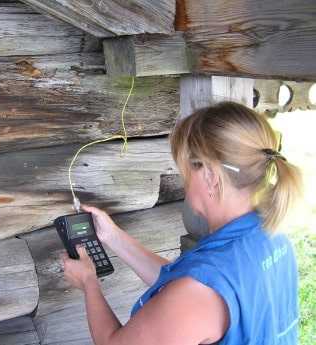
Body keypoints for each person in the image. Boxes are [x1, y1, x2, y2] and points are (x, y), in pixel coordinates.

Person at [62, 101, 303, 345]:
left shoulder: (198, 293)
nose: (183, 180)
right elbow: (181, 285)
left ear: (210, 176)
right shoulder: (271, 234)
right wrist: (113, 236)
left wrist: (88, 283)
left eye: (185, 169)